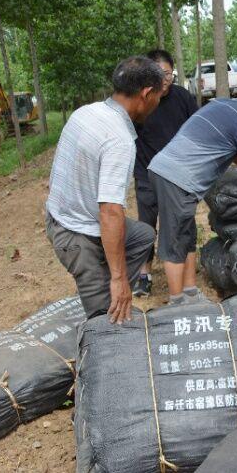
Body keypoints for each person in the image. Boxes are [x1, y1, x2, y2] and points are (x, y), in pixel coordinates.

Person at [45, 56, 163, 323]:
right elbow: (110, 211)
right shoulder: (119, 140)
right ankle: (107, 295)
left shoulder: (85, 112)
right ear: (146, 94)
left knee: (143, 235)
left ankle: (103, 282)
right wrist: (120, 280)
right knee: (106, 322)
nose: (159, 103)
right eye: (158, 96)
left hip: (63, 215)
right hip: (74, 234)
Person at [147, 92, 237, 302]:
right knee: (175, 238)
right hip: (176, 177)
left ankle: (190, 292)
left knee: (187, 234)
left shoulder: (224, 105)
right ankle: (177, 302)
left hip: (167, 171)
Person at [131, 49, 199, 298]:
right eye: (160, 73)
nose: (166, 78)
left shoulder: (182, 97)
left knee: (183, 223)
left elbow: (197, 128)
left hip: (179, 175)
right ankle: (144, 274)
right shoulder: (142, 100)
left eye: (169, 73)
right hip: (146, 172)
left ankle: (186, 280)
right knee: (147, 227)